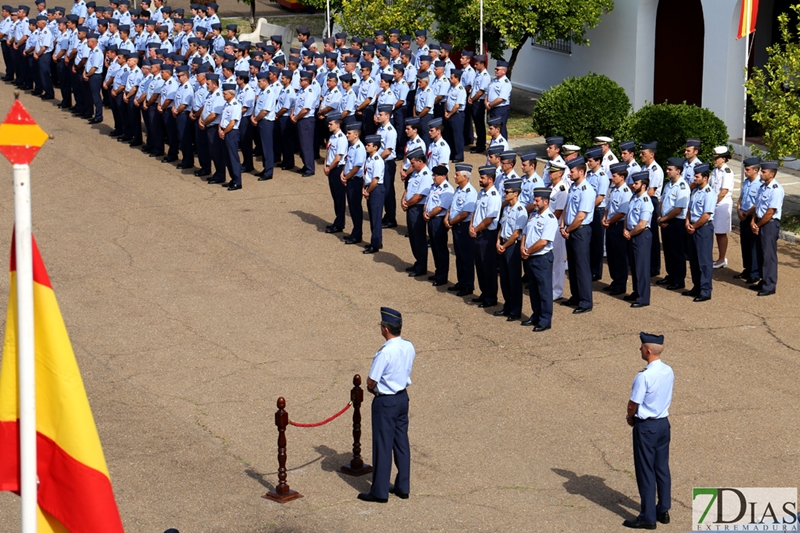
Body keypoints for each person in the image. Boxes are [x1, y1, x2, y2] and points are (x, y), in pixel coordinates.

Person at [358, 307, 416, 504]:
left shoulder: (385, 352)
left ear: (385, 329)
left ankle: (380, 491)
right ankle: (403, 486)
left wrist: (371, 388)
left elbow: (371, 381)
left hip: (386, 401)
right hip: (402, 398)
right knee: (401, 443)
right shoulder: (408, 346)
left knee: (383, 445)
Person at [624, 332, 673, 530]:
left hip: (647, 427)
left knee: (645, 471)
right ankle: (663, 509)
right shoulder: (668, 370)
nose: (640, 350)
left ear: (649, 351)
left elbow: (633, 403)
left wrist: (630, 417)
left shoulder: (643, 376)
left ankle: (647, 517)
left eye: (642, 347)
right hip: (663, 424)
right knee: (661, 468)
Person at [520, 188, 557, 332]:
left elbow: (543, 242)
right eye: (534, 200)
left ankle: (545, 320)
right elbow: (525, 233)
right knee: (533, 289)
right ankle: (535, 315)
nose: (534, 203)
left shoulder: (550, 218)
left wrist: (528, 251)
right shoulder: (533, 215)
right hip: (529, 257)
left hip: (541, 258)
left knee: (544, 290)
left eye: (537, 200)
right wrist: (522, 247)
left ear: (545, 202)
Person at [561, 157, 594, 314]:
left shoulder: (586, 190)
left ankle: (585, 301)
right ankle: (576, 295)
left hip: (580, 230)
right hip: (570, 229)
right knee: (573, 266)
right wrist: (563, 224)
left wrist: (568, 229)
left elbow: (581, 216)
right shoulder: (574, 187)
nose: (569, 174)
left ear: (581, 172)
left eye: (571, 171)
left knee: (582, 266)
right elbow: (568, 207)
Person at [494, 178, 527, 321]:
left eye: (507, 192)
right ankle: (507, 306)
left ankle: (515, 310)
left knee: (514, 279)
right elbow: (501, 227)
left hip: (511, 247)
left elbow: (516, 233)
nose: (504, 194)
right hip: (503, 244)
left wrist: (504, 245)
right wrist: (497, 242)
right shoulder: (507, 208)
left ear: (516, 193)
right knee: (505, 279)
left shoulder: (521, 210)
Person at [751, 160, 784, 297]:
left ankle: (770, 285)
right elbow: (757, 206)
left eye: (763, 172)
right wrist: (753, 221)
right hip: (760, 221)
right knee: (760, 252)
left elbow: (770, 212)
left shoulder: (776, 189)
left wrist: (757, 225)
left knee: (768, 255)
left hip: (769, 224)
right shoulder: (762, 187)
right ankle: (763, 280)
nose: (761, 174)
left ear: (771, 174)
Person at [470, 165, 502, 308]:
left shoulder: (494, 196)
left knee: (488, 267)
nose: (480, 180)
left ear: (490, 179)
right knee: (480, 266)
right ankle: (484, 292)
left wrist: (475, 229)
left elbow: (489, 219)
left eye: (482, 177)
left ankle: (491, 296)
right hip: (478, 234)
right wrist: (471, 225)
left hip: (487, 235)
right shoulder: (481, 193)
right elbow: (475, 212)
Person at [657, 157, 690, 291]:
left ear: (678, 171)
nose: (667, 171)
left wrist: (663, 219)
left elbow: (678, 209)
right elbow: (662, 202)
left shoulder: (682, 187)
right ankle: (671, 275)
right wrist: (660, 217)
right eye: (667, 169)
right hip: (665, 220)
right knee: (668, 251)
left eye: (670, 169)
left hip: (676, 223)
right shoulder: (668, 184)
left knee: (677, 252)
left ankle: (679, 279)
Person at [684, 163, 715, 302]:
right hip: (693, 227)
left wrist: (694, 226)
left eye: (697, 176)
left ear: (705, 177)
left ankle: (705, 290)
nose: (694, 179)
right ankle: (696, 286)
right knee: (694, 260)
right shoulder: (695, 191)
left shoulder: (710, 193)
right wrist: (687, 222)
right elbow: (690, 209)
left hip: (703, 228)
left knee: (704, 261)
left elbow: (706, 215)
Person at [445, 163, 477, 296]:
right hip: (456, 226)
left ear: (465, 176)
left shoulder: (470, 192)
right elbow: (452, 206)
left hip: (463, 226)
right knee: (459, 256)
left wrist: (451, 221)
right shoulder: (458, 190)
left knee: (467, 257)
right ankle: (461, 281)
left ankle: (468, 285)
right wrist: (447, 217)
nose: (454, 176)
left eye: (457, 174)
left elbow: (465, 213)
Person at [623, 171, 653, 308]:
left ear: (644, 185)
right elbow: (628, 216)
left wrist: (630, 233)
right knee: (634, 266)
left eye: (636, 183)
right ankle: (636, 291)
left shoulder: (646, 201)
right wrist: (625, 229)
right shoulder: (633, 198)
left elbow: (642, 224)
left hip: (641, 235)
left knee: (641, 267)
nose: (633, 185)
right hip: (632, 233)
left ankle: (643, 297)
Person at [602, 163, 632, 295]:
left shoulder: (625, 192)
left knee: (620, 257)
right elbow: (609, 206)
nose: (612, 178)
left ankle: (621, 284)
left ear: (622, 176)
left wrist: (608, 221)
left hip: (618, 225)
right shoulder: (614, 189)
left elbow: (622, 212)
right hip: (610, 225)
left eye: (614, 176)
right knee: (612, 255)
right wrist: (604, 217)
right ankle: (615, 280)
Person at [402, 149, 432, 277]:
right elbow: (408, 189)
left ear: (420, 161)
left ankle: (422, 266)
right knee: (413, 236)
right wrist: (403, 200)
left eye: (413, 163)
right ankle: (418, 261)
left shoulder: (426, 175)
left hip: (417, 208)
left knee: (418, 237)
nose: (411, 165)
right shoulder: (415, 173)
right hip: (410, 206)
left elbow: (419, 196)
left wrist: (407, 204)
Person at [423, 164, 453, 285]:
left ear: (443, 176)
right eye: (433, 175)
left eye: (435, 175)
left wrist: (429, 214)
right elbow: (427, 201)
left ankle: (442, 276)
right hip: (431, 219)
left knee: (440, 248)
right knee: (434, 247)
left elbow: (441, 207)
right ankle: (438, 271)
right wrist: (425, 212)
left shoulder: (447, 189)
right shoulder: (433, 187)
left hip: (439, 220)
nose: (433, 178)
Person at [734, 157, 762, 284]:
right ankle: (747, 269)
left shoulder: (760, 184)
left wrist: (746, 213)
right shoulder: (746, 182)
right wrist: (739, 210)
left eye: (747, 169)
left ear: (756, 170)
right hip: (743, 216)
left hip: (752, 217)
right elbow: (741, 198)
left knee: (753, 246)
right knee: (744, 244)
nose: (745, 171)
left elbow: (757, 204)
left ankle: (755, 272)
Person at [584, 146, 608, 281]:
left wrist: (587, 208)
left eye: (591, 160)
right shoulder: (589, 174)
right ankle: (590, 267)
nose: (589, 163)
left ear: (598, 161)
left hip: (598, 210)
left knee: (597, 242)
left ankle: (596, 271)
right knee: (590, 241)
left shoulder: (602, 176)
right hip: (591, 210)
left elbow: (600, 197)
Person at [640, 142, 663, 277]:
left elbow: (650, 191)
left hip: (651, 201)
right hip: (643, 200)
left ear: (651, 155)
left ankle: (654, 266)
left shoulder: (656, 170)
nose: (641, 155)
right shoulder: (644, 168)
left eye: (644, 153)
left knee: (653, 234)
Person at [709, 146, 734, 269]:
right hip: (715, 203)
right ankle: (720, 258)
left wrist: (712, 204)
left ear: (723, 159)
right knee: (716, 231)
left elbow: (723, 192)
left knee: (721, 232)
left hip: (722, 205)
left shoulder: (727, 172)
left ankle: (722, 258)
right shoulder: (716, 171)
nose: (714, 160)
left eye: (716, 158)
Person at [342, 122, 366, 244]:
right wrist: (343, 173)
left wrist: (346, 177)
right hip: (350, 179)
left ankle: (357, 234)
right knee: (352, 207)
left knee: (355, 208)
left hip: (355, 180)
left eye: (349, 133)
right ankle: (355, 231)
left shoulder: (359, 148)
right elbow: (347, 163)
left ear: (356, 135)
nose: (347, 135)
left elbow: (356, 167)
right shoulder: (351, 147)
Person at [363, 134, 386, 254]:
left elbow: (375, 180)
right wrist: (364, 188)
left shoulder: (377, 161)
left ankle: (375, 244)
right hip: (370, 188)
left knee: (376, 218)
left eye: (368, 145)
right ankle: (377, 240)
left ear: (375, 147)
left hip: (376, 189)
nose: (366, 147)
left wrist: (367, 191)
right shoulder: (369, 158)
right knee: (372, 217)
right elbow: (367, 177)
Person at [218, 82, 242, 190]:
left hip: (231, 133)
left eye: (225, 93)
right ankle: (232, 178)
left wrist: (223, 132)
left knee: (233, 157)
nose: (223, 95)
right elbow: (222, 119)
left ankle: (238, 181)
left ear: (231, 94)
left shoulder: (236, 105)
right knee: (227, 157)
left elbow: (232, 123)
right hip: (224, 131)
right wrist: (219, 129)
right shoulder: (226, 104)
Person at [468, 54, 489, 153]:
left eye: (476, 64)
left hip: (479, 102)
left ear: (482, 64)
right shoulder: (478, 74)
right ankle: (478, 144)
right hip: (474, 101)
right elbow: (473, 88)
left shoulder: (485, 76)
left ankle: (481, 145)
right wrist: (470, 97)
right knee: (476, 124)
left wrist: (472, 100)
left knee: (479, 125)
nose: (475, 66)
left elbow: (481, 91)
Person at [485, 59, 510, 139]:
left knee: (500, 128)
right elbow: (488, 93)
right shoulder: (494, 81)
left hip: (501, 109)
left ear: (504, 71)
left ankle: (502, 147)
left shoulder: (506, 83)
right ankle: (495, 146)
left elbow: (501, 98)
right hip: (493, 108)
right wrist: (486, 102)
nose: (495, 70)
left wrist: (490, 104)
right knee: (493, 128)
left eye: (497, 69)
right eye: (495, 69)